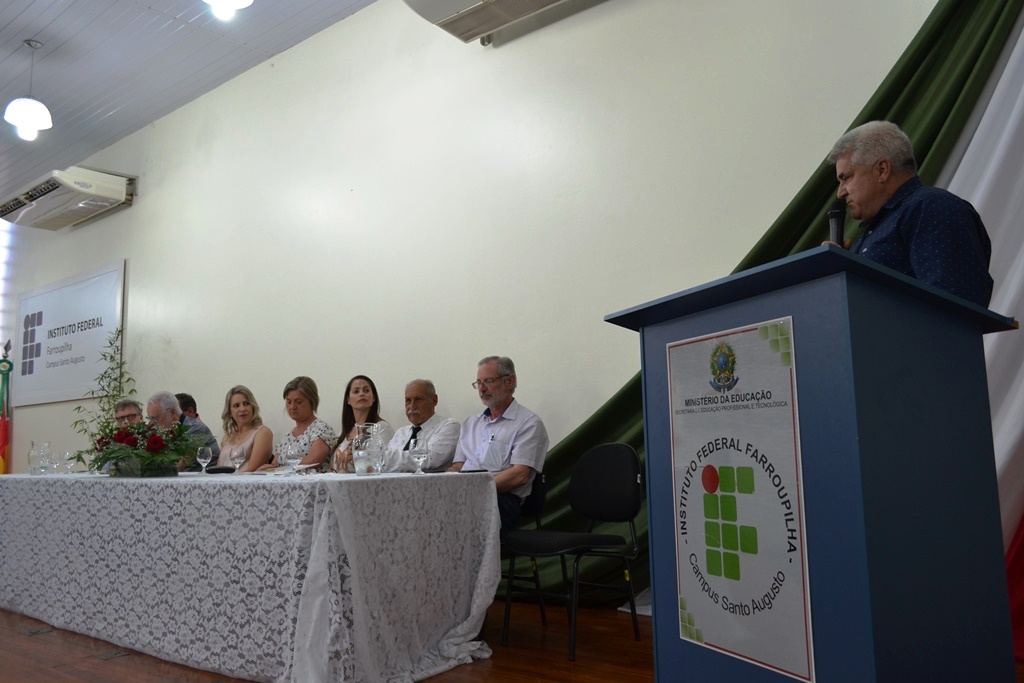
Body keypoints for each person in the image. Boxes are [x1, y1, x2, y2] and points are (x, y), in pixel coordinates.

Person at [827, 120, 993, 307]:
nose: (840, 193)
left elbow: (955, 306)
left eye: (846, 178)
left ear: (882, 170)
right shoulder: (870, 232)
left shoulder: (931, 208)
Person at [449, 356, 549, 532]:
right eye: (478, 383)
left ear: (510, 381)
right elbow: (458, 466)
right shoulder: (471, 423)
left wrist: (475, 490)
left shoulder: (528, 423)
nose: (482, 389)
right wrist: (442, 483)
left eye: (488, 381)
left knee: (453, 519)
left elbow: (520, 475)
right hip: (464, 495)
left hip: (501, 500)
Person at [382, 379, 460, 473]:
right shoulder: (401, 433)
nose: (412, 406)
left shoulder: (449, 426)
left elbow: (429, 460)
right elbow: (383, 468)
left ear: (434, 400)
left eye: (418, 399)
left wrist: (379, 458)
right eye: (408, 401)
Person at [270, 376, 337, 471]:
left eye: (298, 402)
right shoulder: (286, 437)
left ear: (312, 402)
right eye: (289, 402)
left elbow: (314, 460)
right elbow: (274, 464)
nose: (292, 407)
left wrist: (284, 466)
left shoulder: (321, 429)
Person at [331, 375, 394, 473]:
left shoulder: (382, 427)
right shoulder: (345, 431)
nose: (361, 394)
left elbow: (387, 465)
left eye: (366, 391)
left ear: (373, 398)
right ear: (348, 400)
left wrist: (363, 461)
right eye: (356, 391)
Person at [146, 390, 219, 471]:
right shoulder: (168, 430)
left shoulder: (195, 428)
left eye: (156, 418)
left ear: (172, 413)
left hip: (208, 476)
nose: (153, 424)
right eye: (150, 419)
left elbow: (181, 464)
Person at [216, 385, 274, 472]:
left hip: (246, 480)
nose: (242, 409)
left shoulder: (262, 433)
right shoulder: (227, 436)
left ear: (253, 407)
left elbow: (252, 470)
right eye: (236, 406)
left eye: (246, 404)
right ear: (230, 412)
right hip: (223, 480)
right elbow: (218, 470)